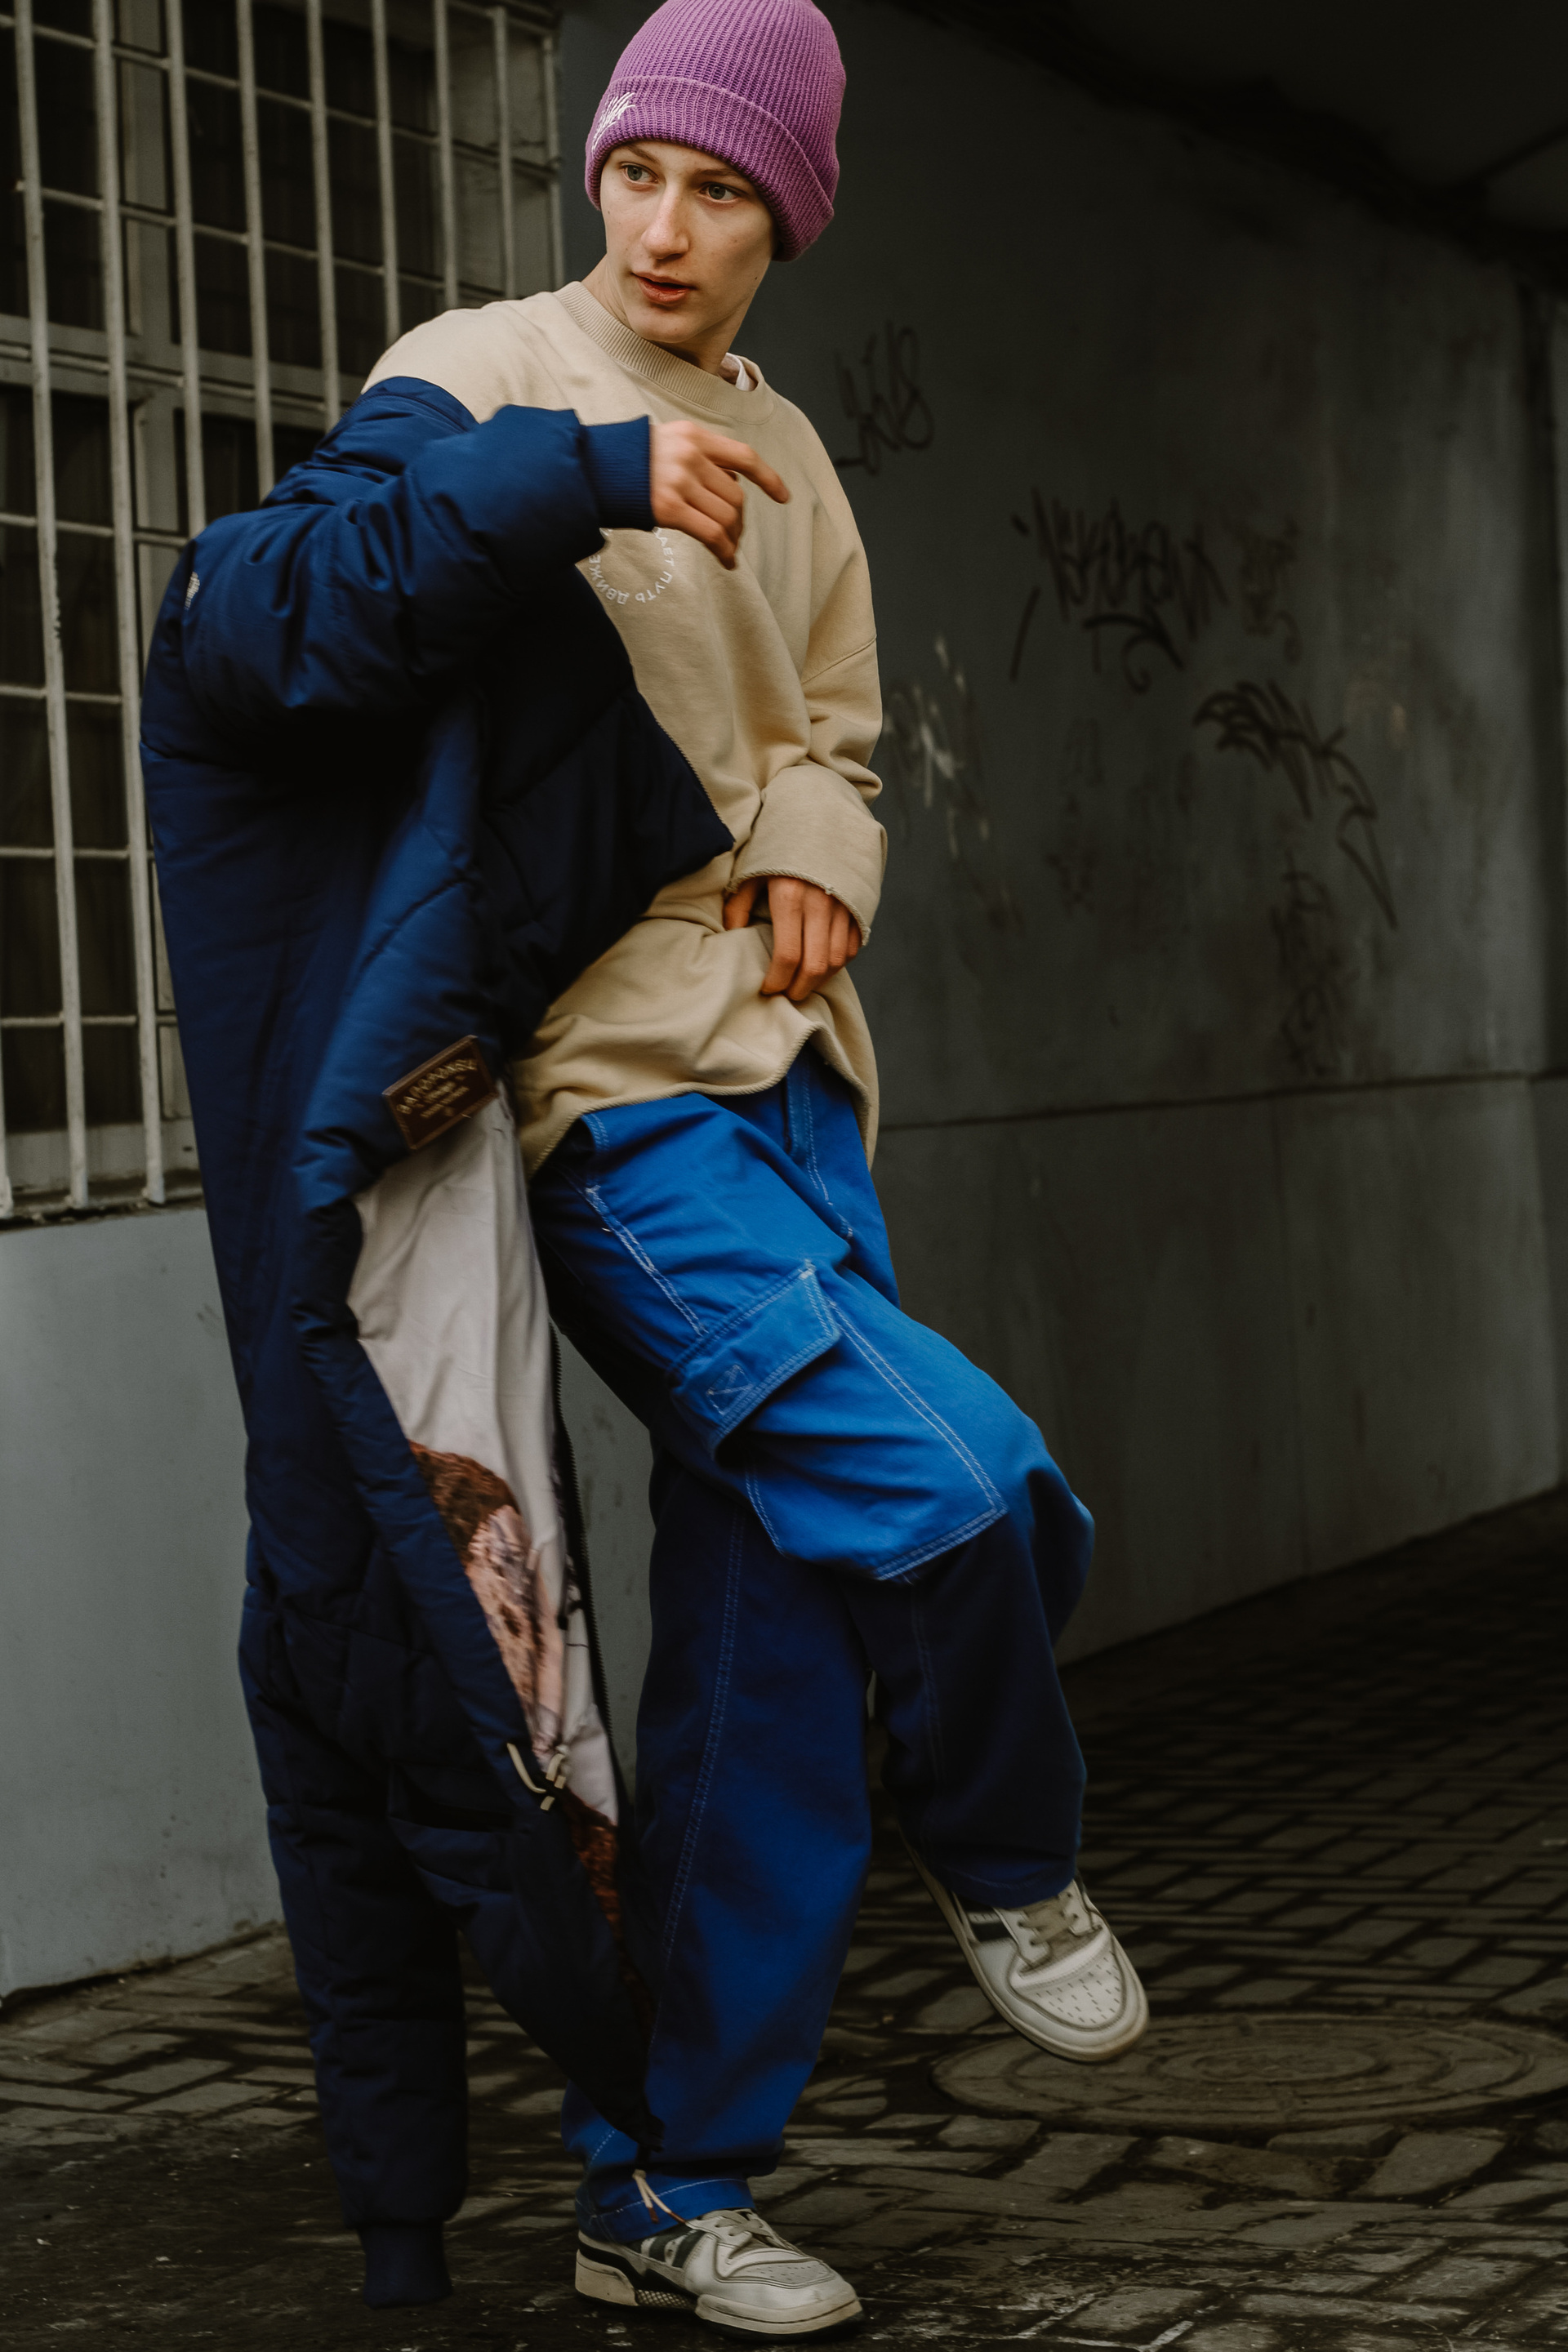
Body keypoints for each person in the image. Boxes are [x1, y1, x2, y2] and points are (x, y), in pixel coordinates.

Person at [353, 0, 1149, 2332]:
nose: (668, 226)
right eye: (639, 172)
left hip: (800, 1091)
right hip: (613, 1105)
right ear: (596, 171)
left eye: (722, 191)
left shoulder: (797, 447)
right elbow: (337, 594)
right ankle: (1009, 1851)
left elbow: (836, 737)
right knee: (960, 1494)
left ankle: (664, 2193)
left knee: (775, 1673)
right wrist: (582, 472)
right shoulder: (478, 370)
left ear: (789, 219)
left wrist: (818, 839)